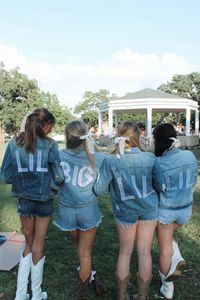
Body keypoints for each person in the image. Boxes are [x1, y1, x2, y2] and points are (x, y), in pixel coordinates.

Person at [93, 121, 164, 300]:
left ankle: (122, 296)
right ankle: (142, 296)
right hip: (148, 208)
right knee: (144, 251)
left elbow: (99, 189)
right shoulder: (150, 158)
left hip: (124, 210)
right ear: (138, 136)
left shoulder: (110, 161)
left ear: (119, 136)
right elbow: (161, 185)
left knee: (125, 252)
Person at [1, 108, 64, 300]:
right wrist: (53, 185)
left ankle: (21, 294)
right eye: (50, 127)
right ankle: (36, 293)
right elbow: (59, 176)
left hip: (24, 200)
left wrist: (20, 180)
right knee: (38, 243)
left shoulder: (14, 144)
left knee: (27, 242)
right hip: (44, 200)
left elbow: (4, 175)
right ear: (44, 126)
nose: (50, 131)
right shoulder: (51, 145)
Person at [53, 120, 107, 300]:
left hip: (66, 211)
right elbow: (100, 189)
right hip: (88, 211)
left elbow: (55, 182)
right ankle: (86, 286)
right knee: (85, 251)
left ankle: (85, 285)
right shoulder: (98, 157)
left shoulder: (58, 156)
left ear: (68, 137)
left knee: (82, 249)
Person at [153, 123, 198, 300]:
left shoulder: (159, 162)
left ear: (158, 141)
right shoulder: (190, 155)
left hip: (167, 211)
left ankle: (167, 288)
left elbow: (158, 187)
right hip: (185, 210)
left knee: (165, 249)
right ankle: (176, 253)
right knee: (167, 239)